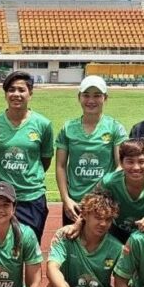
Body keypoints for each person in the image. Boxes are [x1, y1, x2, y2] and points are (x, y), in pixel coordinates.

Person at [0, 71, 53, 241]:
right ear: (5, 94)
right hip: (0, 197)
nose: (16, 94)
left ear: (30, 93)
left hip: (31, 197)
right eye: (11, 90)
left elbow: (45, 159)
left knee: (30, 246)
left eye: (21, 90)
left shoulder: (43, 124)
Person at [55, 76, 128, 226]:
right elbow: (60, 166)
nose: (91, 100)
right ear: (79, 97)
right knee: (72, 240)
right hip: (75, 204)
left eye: (97, 95)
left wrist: (101, 190)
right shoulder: (68, 128)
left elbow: (120, 166)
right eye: (86, 95)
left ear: (105, 98)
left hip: (104, 202)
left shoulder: (115, 128)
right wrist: (65, 199)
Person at [89, 138, 144, 244]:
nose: (136, 167)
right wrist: (78, 224)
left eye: (141, 161)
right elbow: (91, 206)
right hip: (116, 232)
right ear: (121, 163)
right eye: (130, 162)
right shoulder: (109, 183)